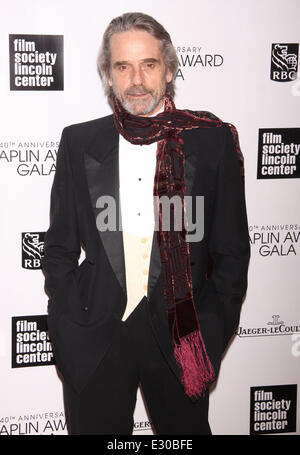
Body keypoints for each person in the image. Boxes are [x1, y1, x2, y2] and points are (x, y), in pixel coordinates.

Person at [42, 12, 250, 435]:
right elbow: (59, 247)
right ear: (109, 76)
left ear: (169, 69)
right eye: (123, 66)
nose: (136, 79)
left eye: (148, 64)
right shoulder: (79, 141)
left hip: (182, 334)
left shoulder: (212, 141)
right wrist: (65, 322)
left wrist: (210, 329)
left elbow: (231, 252)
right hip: (96, 332)